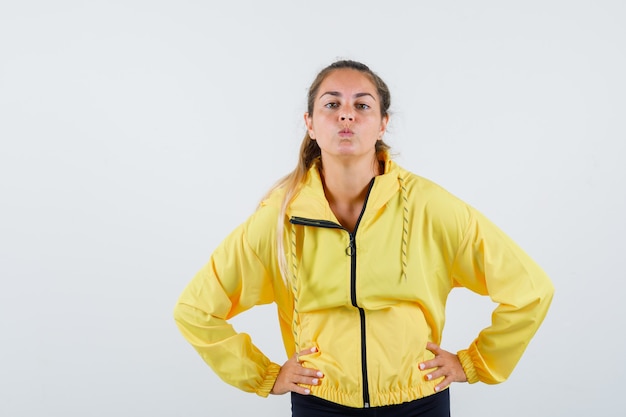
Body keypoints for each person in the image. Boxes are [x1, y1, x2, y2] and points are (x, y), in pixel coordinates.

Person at [173, 60, 554, 417]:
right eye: (332, 103)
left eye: (362, 105)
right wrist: (264, 375)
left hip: (419, 400)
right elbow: (196, 310)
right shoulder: (280, 218)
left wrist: (474, 363)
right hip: (321, 401)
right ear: (310, 123)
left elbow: (531, 289)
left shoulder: (429, 206)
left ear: (383, 123)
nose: (346, 114)